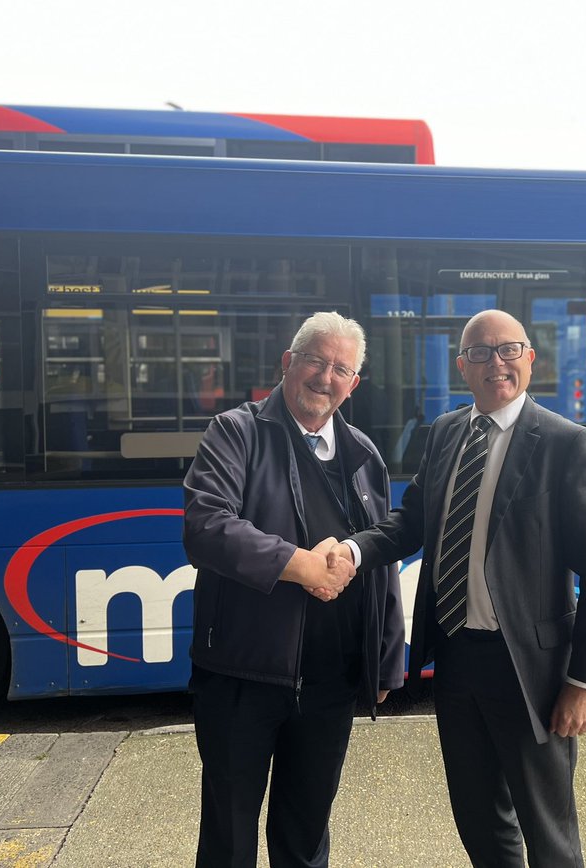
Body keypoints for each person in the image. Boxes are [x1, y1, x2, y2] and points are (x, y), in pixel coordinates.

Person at [332, 308, 586, 867]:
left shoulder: (567, 445)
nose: (497, 363)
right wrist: (352, 551)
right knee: (478, 819)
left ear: (530, 359)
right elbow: (410, 523)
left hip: (530, 673)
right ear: (461, 366)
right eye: (481, 353)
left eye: (509, 350)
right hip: (457, 660)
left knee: (549, 834)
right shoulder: (444, 434)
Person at [183, 311, 404, 868]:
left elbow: (379, 558)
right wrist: (300, 564)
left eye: (340, 368)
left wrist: (384, 660)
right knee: (229, 841)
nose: (324, 377)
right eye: (315, 360)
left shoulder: (364, 455)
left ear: (354, 384)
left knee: (305, 838)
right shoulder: (237, 431)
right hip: (242, 675)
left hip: (330, 683)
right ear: (288, 362)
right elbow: (206, 526)